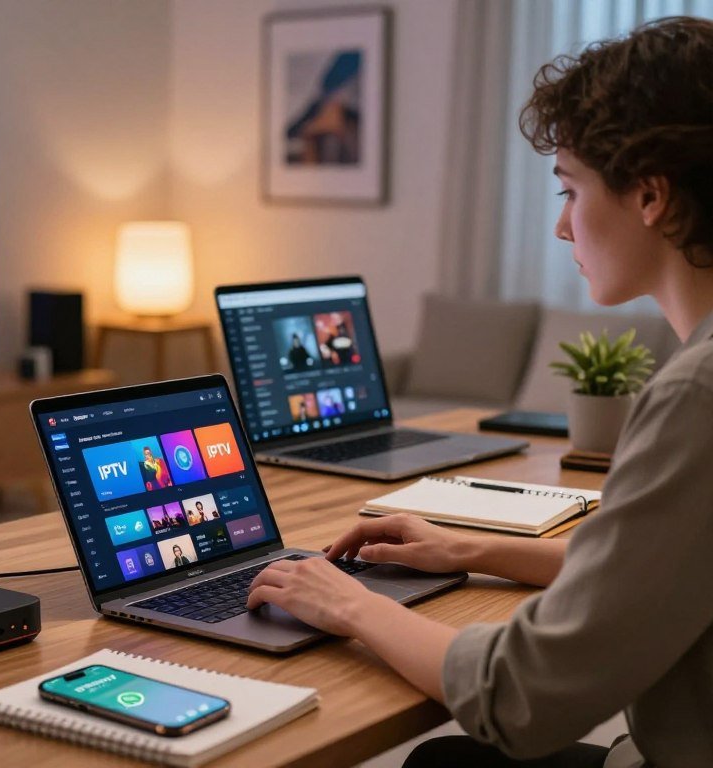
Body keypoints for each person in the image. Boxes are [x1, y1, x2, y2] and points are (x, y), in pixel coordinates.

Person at [247, 17, 713, 767]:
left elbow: (520, 697)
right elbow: (663, 569)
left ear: (651, 195)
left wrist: (347, 603)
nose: (564, 227)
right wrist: (470, 548)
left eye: (571, 191)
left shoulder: (698, 392)